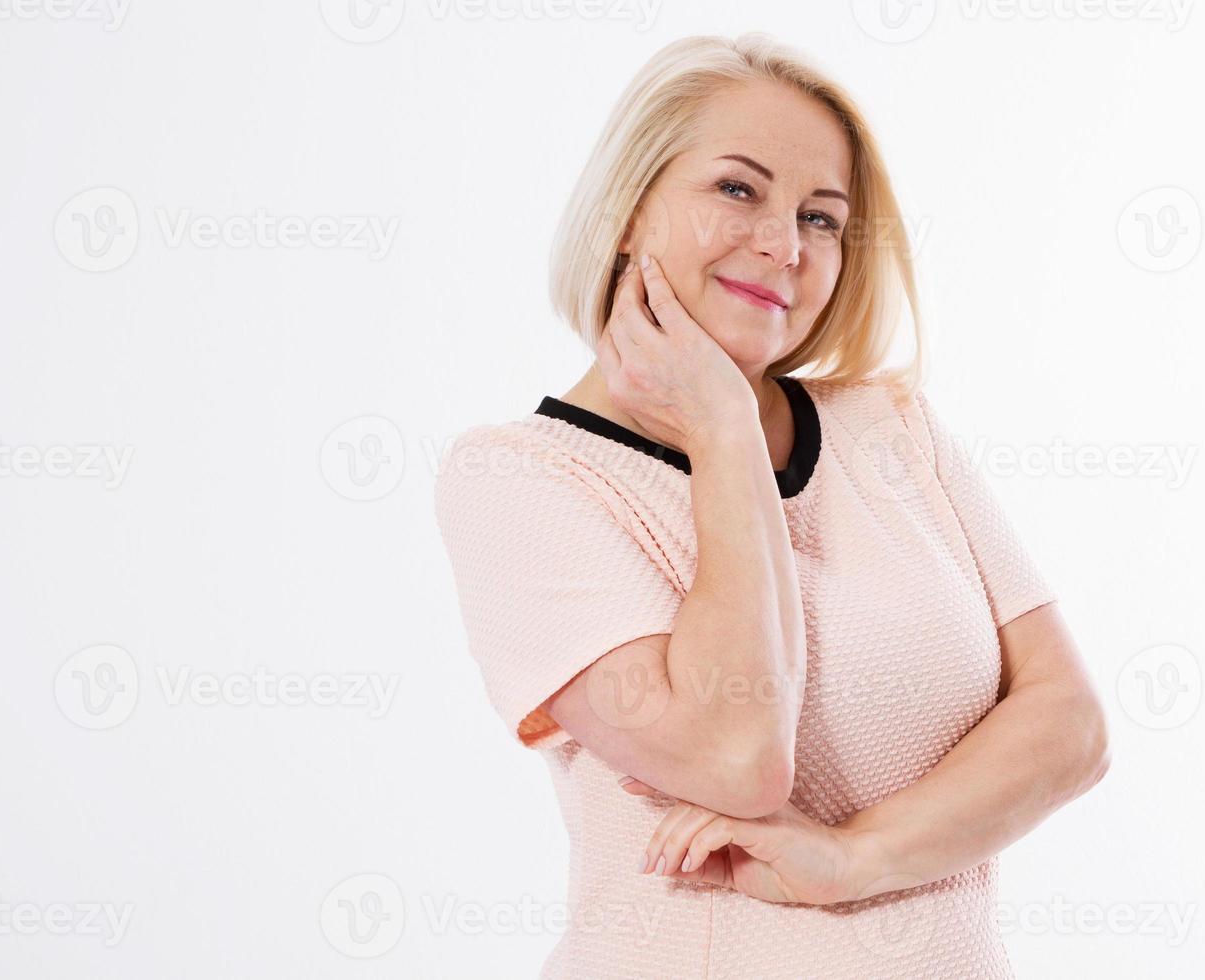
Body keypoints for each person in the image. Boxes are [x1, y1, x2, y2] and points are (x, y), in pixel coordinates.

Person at [434, 32, 1110, 979]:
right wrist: (719, 427)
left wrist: (850, 859)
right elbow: (735, 756)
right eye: (737, 189)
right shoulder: (519, 479)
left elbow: (1071, 724)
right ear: (628, 208)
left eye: (822, 218)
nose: (785, 246)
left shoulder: (891, 426)